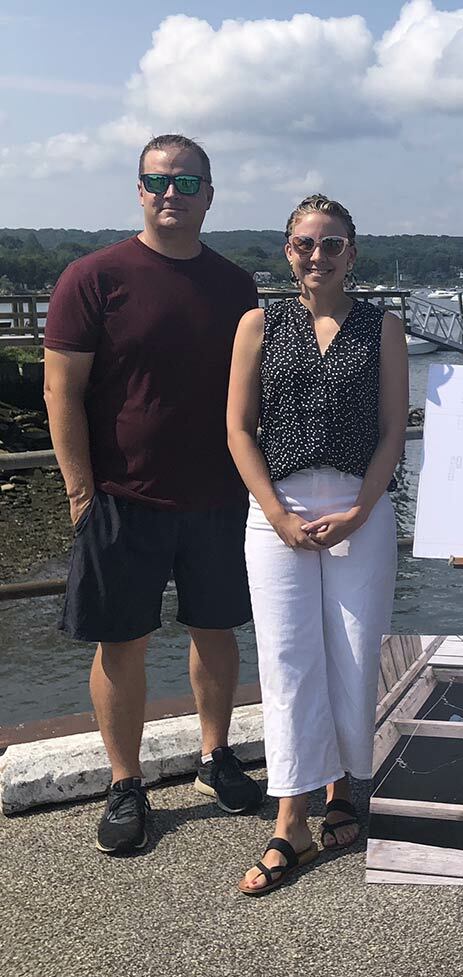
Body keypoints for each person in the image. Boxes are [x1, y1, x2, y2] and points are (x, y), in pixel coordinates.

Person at [43, 134, 263, 855]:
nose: (172, 194)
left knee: (217, 630)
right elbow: (60, 391)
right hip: (119, 496)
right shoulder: (92, 277)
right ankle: (124, 781)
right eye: (158, 182)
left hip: (218, 496)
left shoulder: (236, 286)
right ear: (139, 190)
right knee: (120, 642)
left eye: (187, 182)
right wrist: (81, 493)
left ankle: (214, 756)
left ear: (209, 193)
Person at [226, 194, 409, 895]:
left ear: (352, 253)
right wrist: (274, 512)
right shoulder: (258, 324)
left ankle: (345, 790)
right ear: (288, 250)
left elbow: (394, 429)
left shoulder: (382, 327)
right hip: (280, 509)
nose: (317, 255)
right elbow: (240, 428)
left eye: (332, 244)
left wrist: (363, 507)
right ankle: (290, 819)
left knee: (358, 656)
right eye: (305, 243)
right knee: (288, 659)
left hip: (359, 506)